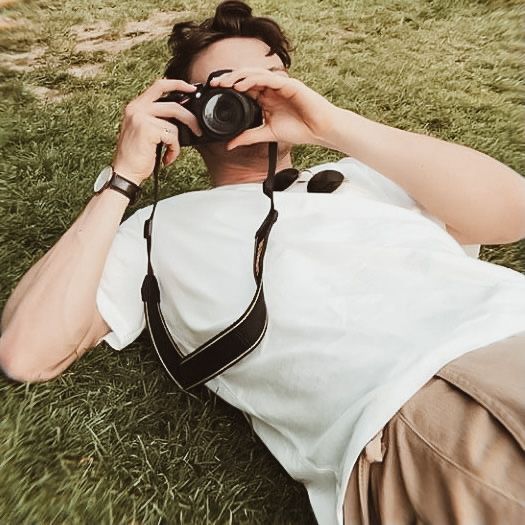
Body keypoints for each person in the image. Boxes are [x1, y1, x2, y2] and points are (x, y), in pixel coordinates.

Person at [1, 1, 524, 523]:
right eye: (228, 83)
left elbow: (513, 214)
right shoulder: (156, 230)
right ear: (185, 111)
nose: (255, 92)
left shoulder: (371, 175)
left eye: (269, 77)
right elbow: (26, 353)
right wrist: (123, 179)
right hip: (422, 408)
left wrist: (331, 126)